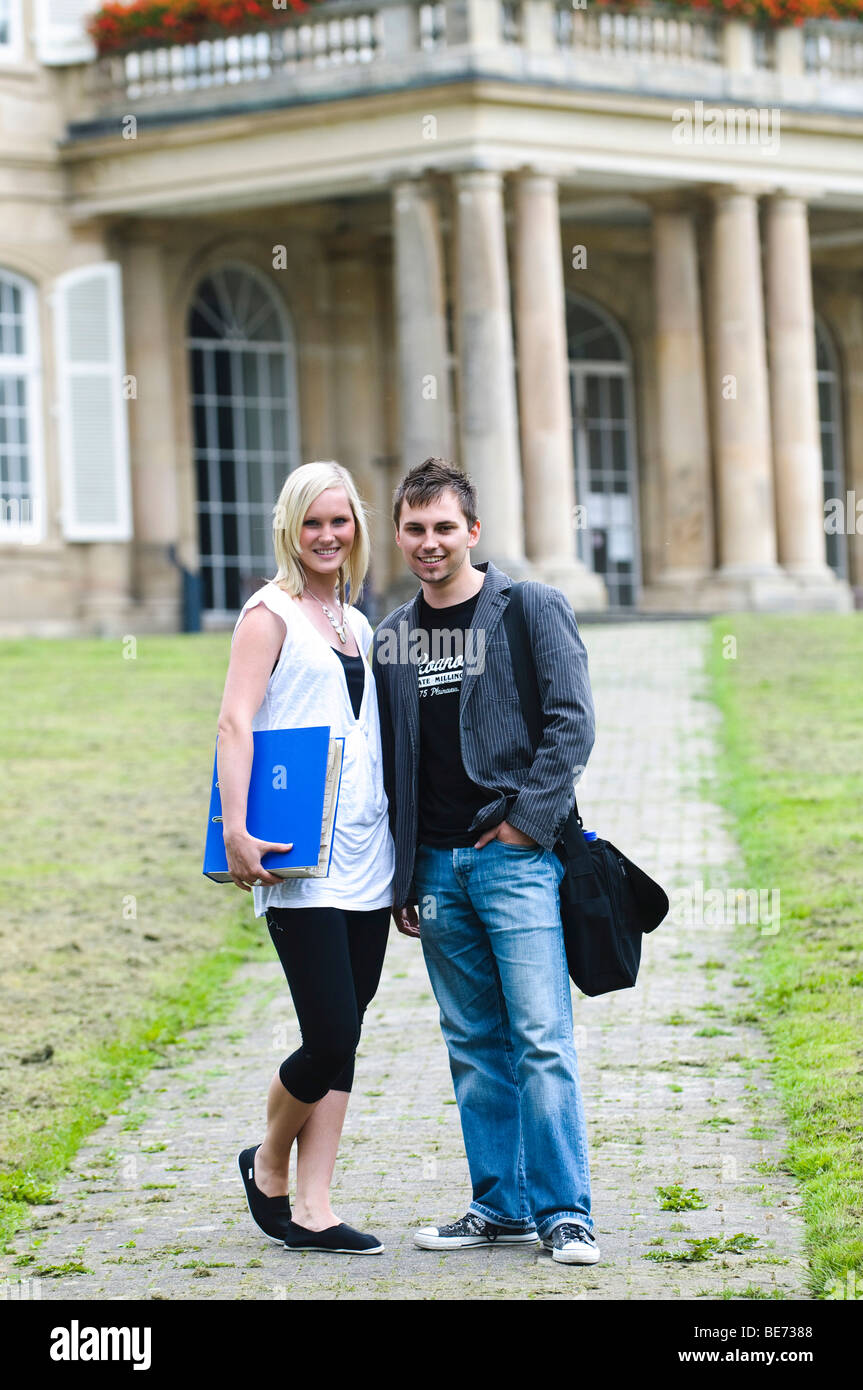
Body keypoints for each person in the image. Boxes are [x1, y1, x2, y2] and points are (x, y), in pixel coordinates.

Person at [372, 458, 600, 1266]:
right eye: (414, 528)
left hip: (516, 858)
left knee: (540, 1036)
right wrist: (402, 876)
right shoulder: (392, 637)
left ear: (472, 531)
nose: (428, 543)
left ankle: (565, 1212)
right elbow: (393, 761)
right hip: (433, 870)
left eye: (443, 528)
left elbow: (571, 725)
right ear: (398, 534)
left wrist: (522, 829)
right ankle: (498, 1207)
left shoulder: (529, 609)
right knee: (472, 1042)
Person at [216, 460, 395, 1255]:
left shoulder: (355, 623)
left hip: (369, 854)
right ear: (290, 528)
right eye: (312, 523)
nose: (327, 536)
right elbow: (234, 722)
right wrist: (235, 830)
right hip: (298, 857)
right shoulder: (269, 613)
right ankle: (268, 1161)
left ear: (355, 528)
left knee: (346, 1036)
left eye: (340, 521)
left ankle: (316, 1205)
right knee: (325, 1035)